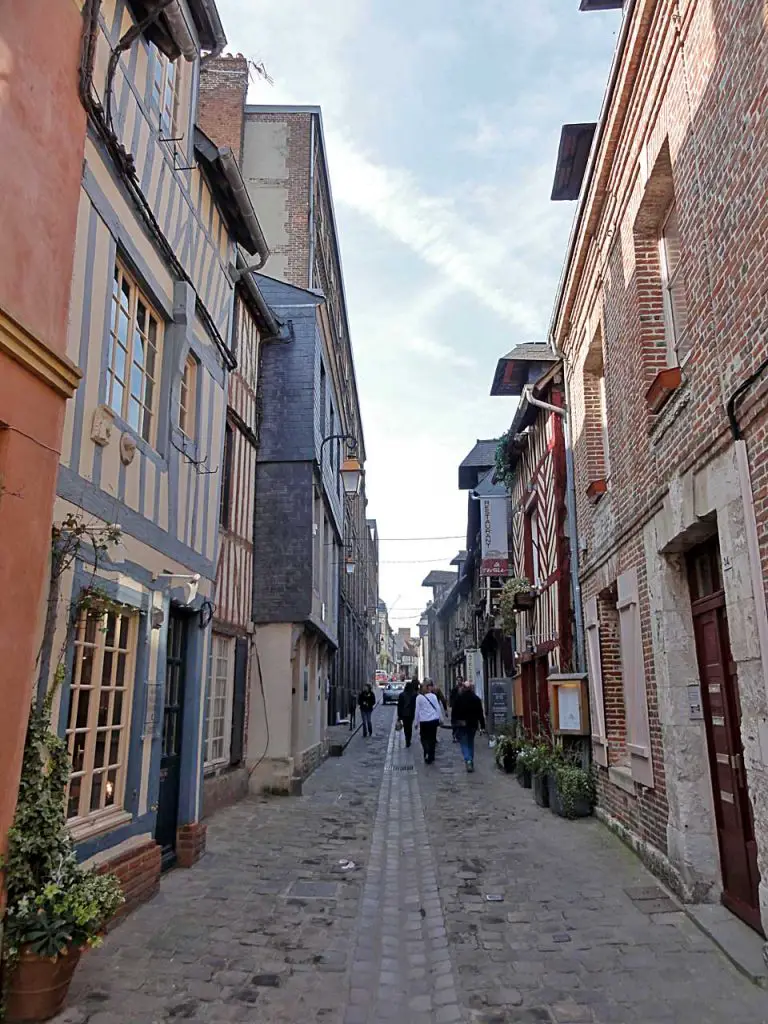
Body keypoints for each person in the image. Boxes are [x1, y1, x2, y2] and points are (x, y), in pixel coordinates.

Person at [451, 680, 486, 772]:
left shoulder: (459, 698)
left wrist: (453, 723)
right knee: (470, 742)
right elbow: (480, 714)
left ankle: (468, 759)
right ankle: (470, 760)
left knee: (463, 743)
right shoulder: (476, 699)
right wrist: (482, 726)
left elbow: (454, 712)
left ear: (464, 688)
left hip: (462, 724)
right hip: (473, 724)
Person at [414, 679, 442, 764]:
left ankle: (426, 751)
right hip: (433, 720)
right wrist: (441, 718)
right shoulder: (433, 696)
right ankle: (431, 755)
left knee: (424, 738)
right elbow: (438, 708)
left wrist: (416, 722)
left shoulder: (419, 698)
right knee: (432, 738)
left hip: (424, 721)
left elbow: (417, 710)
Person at [397, 680, 418, 748]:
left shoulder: (402, 695)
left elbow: (399, 706)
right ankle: (408, 739)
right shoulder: (414, 695)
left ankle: (407, 739)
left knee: (406, 727)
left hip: (404, 714)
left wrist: (399, 716)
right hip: (411, 714)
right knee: (409, 727)